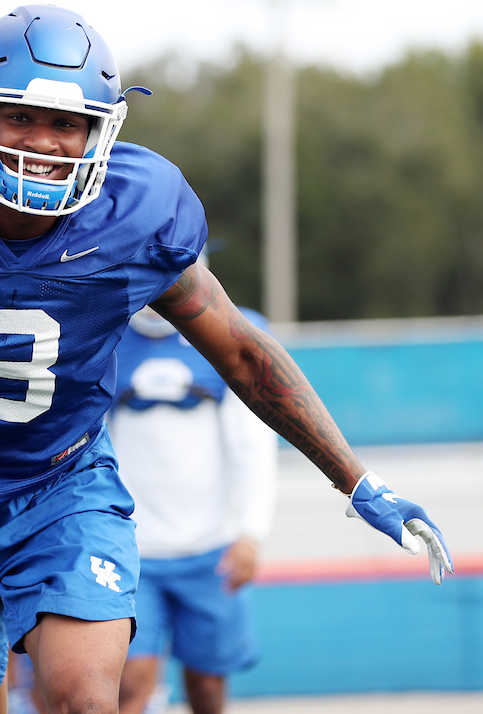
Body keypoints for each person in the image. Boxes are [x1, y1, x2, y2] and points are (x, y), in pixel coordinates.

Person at [0, 4, 453, 714]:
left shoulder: (138, 214)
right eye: (20, 117)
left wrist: (355, 480)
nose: (41, 143)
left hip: (62, 488)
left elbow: (244, 353)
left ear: (100, 132)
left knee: (84, 697)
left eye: (65, 124)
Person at [109, 302, 278, 714]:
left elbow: (251, 447)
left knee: (206, 686)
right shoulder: (105, 333)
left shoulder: (226, 334)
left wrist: (251, 534)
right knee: (129, 684)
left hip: (209, 549)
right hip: (130, 552)